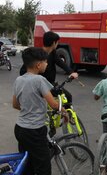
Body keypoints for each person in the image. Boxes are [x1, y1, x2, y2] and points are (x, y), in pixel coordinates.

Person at [12, 47, 68, 175]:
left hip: (20, 129)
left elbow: (15, 104)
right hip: (35, 130)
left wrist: (29, 108)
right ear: (38, 65)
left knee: (27, 163)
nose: (47, 64)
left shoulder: (18, 80)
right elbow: (54, 105)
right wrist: (65, 112)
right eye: (45, 61)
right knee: (43, 167)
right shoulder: (39, 80)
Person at [20, 31, 78, 103]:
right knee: (65, 98)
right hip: (40, 86)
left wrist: (71, 72)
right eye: (57, 42)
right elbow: (23, 71)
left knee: (66, 97)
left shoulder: (53, 53)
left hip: (50, 84)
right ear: (54, 43)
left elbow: (61, 63)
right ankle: (64, 113)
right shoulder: (37, 54)